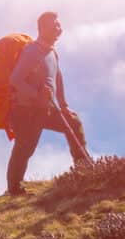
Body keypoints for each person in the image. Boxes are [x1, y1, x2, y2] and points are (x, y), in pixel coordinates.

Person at [5, 11, 89, 195]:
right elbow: (15, 80)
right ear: (42, 28)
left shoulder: (52, 52)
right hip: (25, 110)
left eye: (59, 26)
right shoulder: (32, 52)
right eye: (55, 26)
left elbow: (57, 78)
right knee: (25, 147)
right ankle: (14, 189)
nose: (59, 29)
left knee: (73, 123)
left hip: (44, 109)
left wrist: (64, 105)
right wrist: (36, 94)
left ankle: (85, 169)